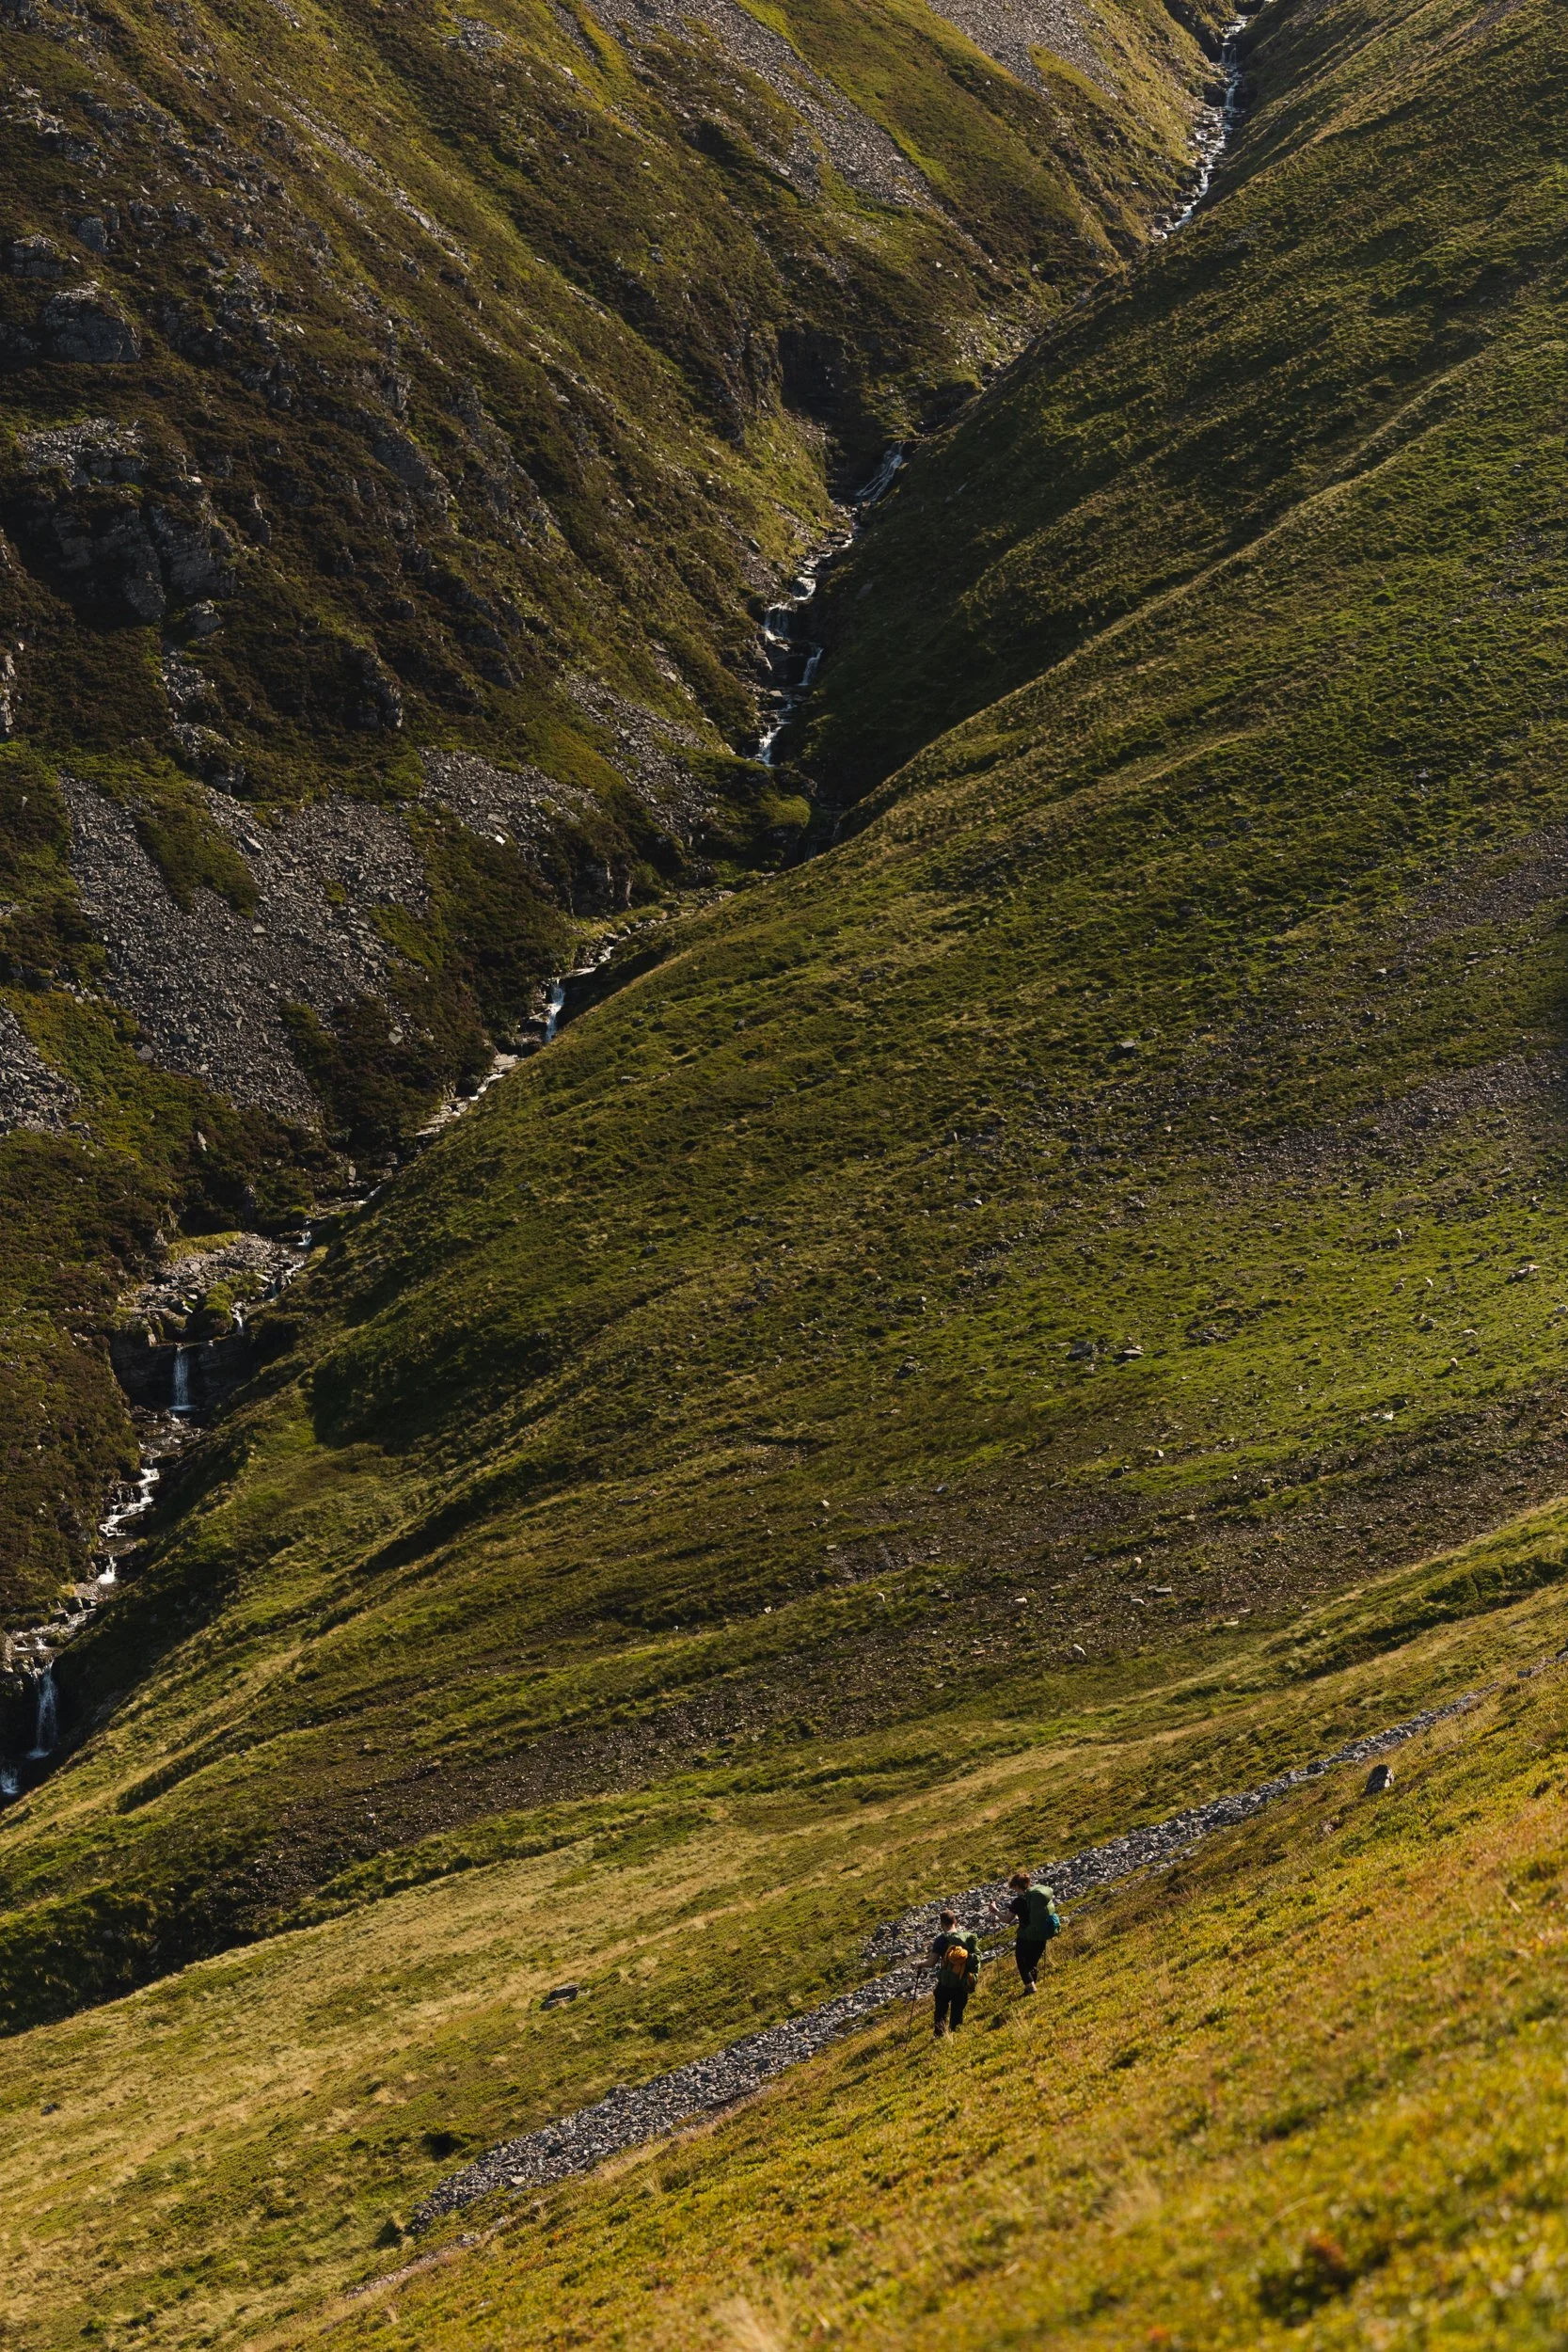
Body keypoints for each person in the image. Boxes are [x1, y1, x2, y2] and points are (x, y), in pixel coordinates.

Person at [1006, 1868, 1061, 1994]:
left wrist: (995, 1911)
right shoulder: (1037, 1898)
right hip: (1041, 1934)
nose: (1014, 1891)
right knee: (1032, 1964)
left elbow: (1007, 1919)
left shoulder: (1018, 1902)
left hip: (1025, 1936)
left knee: (1022, 1962)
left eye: (1013, 1888)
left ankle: (1031, 1988)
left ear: (1016, 1887)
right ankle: (1030, 1988)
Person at [928, 1907, 978, 2036]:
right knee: (957, 2011)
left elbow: (931, 1962)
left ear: (942, 1924)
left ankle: (939, 2035)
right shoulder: (967, 1938)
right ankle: (955, 2035)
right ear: (955, 1921)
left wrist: (920, 1965)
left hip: (945, 1982)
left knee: (941, 2010)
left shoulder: (941, 1940)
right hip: (961, 1982)